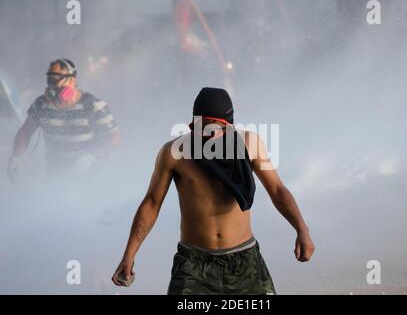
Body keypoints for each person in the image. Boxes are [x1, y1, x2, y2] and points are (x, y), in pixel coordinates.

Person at [112, 87, 315, 294]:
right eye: (203, 128)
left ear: (228, 125)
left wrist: (302, 229)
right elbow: (152, 204)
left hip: (244, 259)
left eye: (216, 129)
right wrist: (129, 254)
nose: (209, 136)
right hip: (193, 263)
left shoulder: (250, 143)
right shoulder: (174, 153)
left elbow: (277, 190)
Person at [7, 59, 119, 180]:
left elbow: (113, 137)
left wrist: (91, 157)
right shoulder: (41, 105)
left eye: (56, 79)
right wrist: (16, 157)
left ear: (72, 80)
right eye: (50, 80)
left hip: (91, 178)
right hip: (57, 179)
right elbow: (25, 132)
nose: (52, 85)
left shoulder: (92, 105)